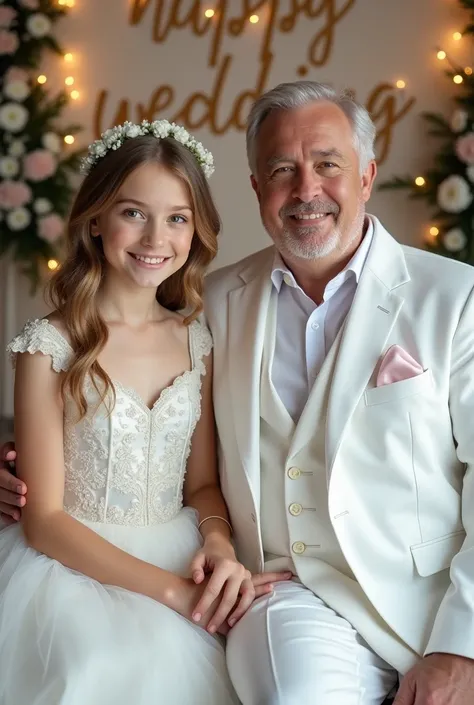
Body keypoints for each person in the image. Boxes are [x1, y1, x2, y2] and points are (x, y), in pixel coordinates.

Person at [2, 81, 474, 705]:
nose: (306, 190)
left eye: (328, 165)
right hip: (280, 591)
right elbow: (82, 461)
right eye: (282, 169)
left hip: (427, 599)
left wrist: (461, 646)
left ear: (367, 177)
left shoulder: (455, 297)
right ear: (256, 188)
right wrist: (21, 468)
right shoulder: (216, 305)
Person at [0, 119, 287, 705]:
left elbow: (203, 483)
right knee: (105, 666)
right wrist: (175, 595)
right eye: (133, 212)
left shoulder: (196, 338)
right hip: (70, 567)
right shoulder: (48, 346)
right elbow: (45, 519)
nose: (156, 237)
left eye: (177, 217)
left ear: (195, 230)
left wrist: (219, 546)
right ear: (97, 218)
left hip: (176, 545)